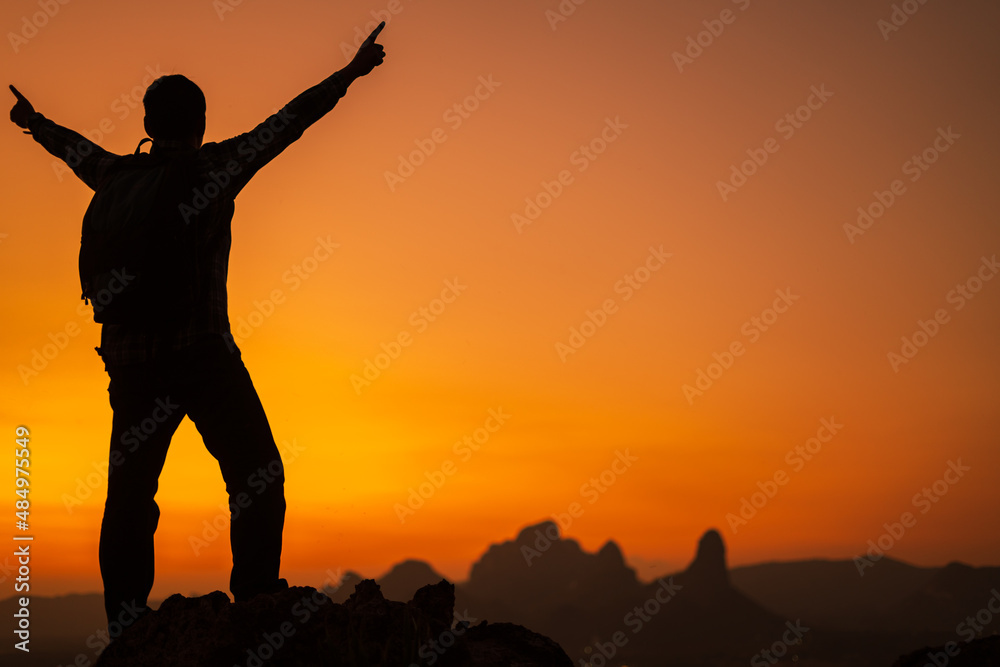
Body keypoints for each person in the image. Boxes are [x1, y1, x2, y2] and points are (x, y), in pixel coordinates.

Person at [9, 23, 386, 627]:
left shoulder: (116, 176)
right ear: (200, 122)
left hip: (131, 362)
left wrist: (35, 123)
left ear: (149, 125)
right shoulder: (214, 169)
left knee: (131, 496)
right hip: (201, 356)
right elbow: (289, 121)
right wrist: (351, 71)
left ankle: (127, 627)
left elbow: (76, 150)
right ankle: (258, 602)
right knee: (257, 474)